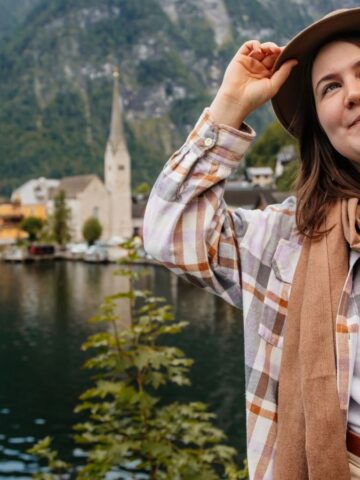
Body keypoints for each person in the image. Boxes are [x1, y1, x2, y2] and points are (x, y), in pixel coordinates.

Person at [143, 7, 360, 480]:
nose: (353, 94)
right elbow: (168, 233)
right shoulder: (286, 237)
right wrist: (229, 107)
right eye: (330, 87)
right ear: (319, 126)